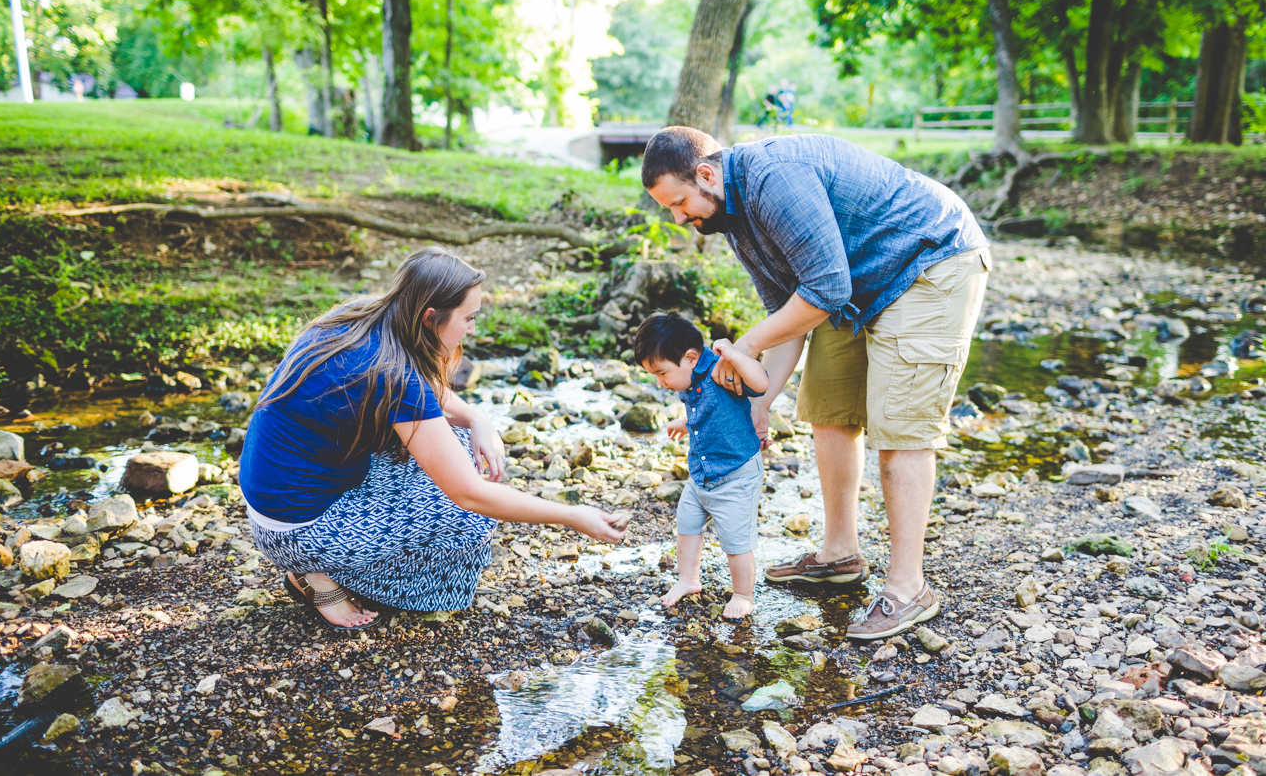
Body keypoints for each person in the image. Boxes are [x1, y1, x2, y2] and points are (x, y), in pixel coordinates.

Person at [640, 127, 989, 640]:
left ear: (707, 174)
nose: (679, 218)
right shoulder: (733, 221)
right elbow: (788, 315)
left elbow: (824, 287)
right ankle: (839, 554)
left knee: (900, 428)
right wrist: (761, 403)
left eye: (680, 202)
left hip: (929, 259)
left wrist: (747, 347)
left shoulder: (773, 178)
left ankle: (908, 586)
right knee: (827, 408)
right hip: (856, 283)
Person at [239, 247, 626, 631]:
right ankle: (322, 577)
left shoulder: (361, 317)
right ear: (429, 317)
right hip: (298, 533)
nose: (473, 329)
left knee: (458, 444)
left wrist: (476, 417)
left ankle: (332, 569)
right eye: (469, 318)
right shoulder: (391, 374)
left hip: (274, 507)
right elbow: (470, 494)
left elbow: (425, 393)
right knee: (472, 518)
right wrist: (575, 516)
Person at [634, 312, 769, 620]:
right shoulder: (689, 377)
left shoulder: (724, 370)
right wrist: (687, 422)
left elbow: (760, 384)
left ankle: (743, 594)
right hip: (702, 474)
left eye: (662, 373)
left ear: (691, 358)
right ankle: (688, 579)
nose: (660, 382)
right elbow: (709, 411)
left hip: (736, 474)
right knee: (688, 524)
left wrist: (737, 354)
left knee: (736, 541)